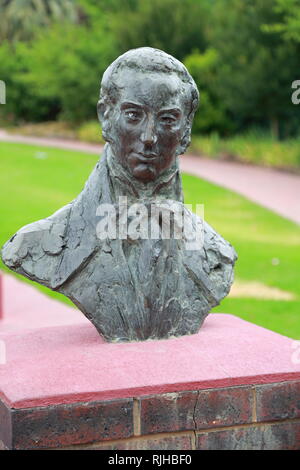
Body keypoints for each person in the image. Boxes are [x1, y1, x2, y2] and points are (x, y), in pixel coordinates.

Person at [1, 48, 237, 342]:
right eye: (134, 115)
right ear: (106, 116)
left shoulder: (218, 256)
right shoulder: (35, 245)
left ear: (186, 128)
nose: (149, 137)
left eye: (167, 119)